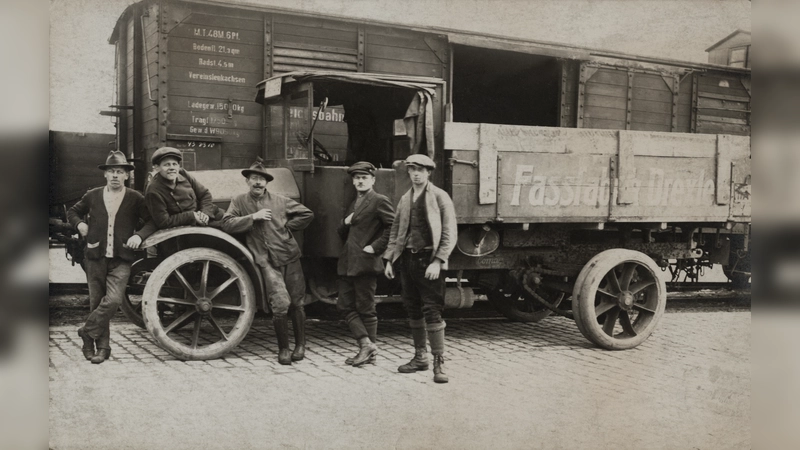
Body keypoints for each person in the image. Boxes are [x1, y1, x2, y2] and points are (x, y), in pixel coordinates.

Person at [222, 158, 314, 365]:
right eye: (254, 178)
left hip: (289, 256)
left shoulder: (281, 201)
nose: (258, 182)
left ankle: (300, 346)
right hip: (265, 260)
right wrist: (253, 218)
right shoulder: (239, 201)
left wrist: (287, 226)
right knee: (280, 304)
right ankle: (284, 349)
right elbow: (227, 224)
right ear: (247, 181)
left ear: (266, 183)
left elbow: (307, 214)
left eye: (261, 179)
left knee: (297, 302)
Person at [68, 150, 156, 364]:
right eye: (111, 171)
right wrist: (79, 224)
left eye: (119, 171)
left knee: (114, 300)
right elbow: (72, 212)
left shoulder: (135, 198)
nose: (115, 175)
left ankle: (86, 332)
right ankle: (100, 348)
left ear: (126, 175)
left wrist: (139, 235)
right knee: (96, 302)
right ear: (105, 174)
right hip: (95, 256)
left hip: (121, 258)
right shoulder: (93, 195)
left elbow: (152, 221)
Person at [383, 154, 457, 383]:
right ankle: (420, 357)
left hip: (429, 260)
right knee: (412, 308)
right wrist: (390, 259)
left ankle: (438, 362)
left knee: (432, 310)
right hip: (407, 260)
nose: (416, 174)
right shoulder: (405, 199)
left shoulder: (440, 196)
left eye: (420, 170)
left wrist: (438, 261)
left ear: (428, 172)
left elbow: (449, 232)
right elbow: (396, 230)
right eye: (412, 169)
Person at [337, 162, 395, 367]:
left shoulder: (379, 200)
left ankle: (370, 351)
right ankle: (367, 345)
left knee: (366, 307)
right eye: (357, 178)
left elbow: (393, 227)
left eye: (364, 178)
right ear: (353, 181)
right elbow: (344, 233)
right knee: (344, 305)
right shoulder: (355, 202)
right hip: (348, 261)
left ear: (373, 180)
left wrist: (375, 247)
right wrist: (345, 222)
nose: (360, 181)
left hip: (366, 262)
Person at [144, 147, 222, 230]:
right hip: (186, 227)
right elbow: (164, 222)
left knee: (230, 223)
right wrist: (191, 216)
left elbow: (205, 194)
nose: (172, 168)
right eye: (167, 165)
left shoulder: (183, 173)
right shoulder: (153, 190)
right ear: (157, 168)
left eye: (174, 164)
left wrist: (205, 213)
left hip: (209, 214)